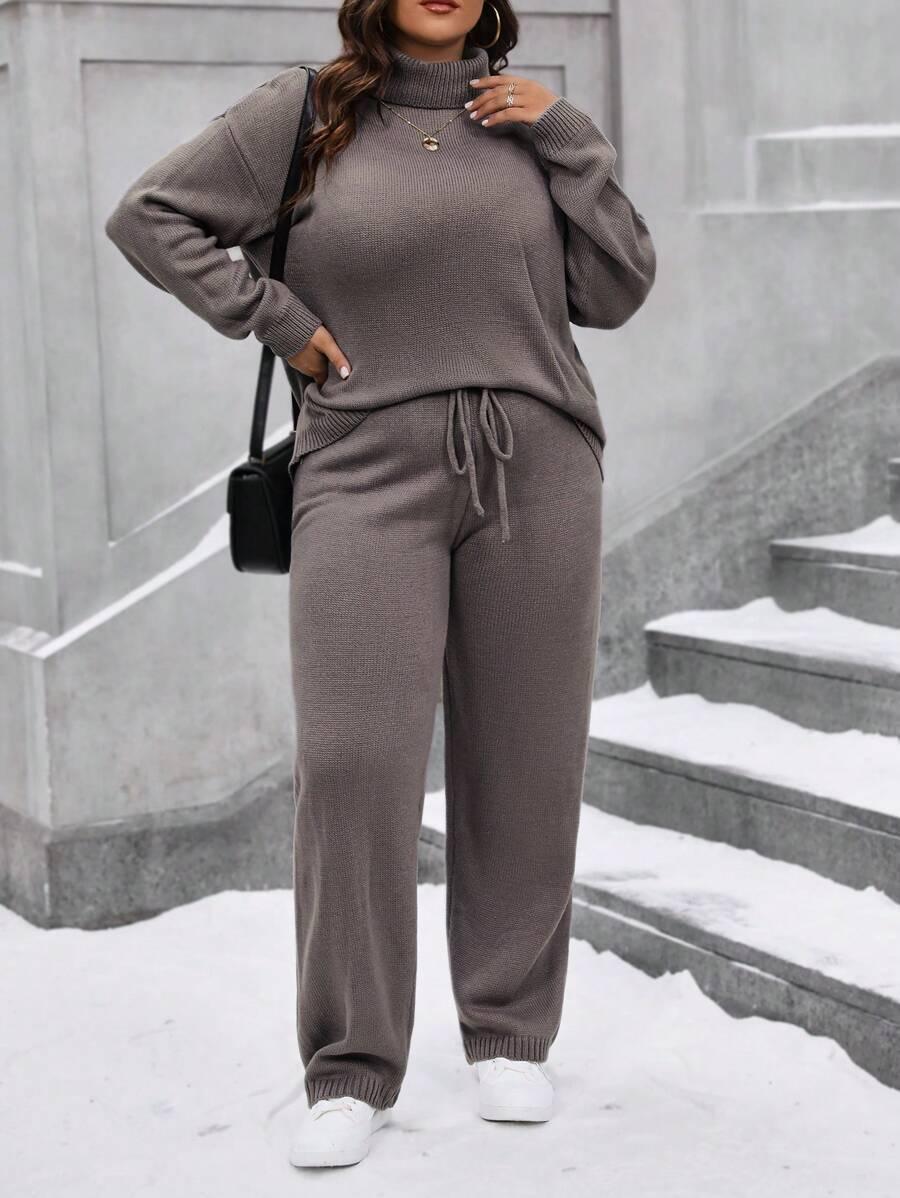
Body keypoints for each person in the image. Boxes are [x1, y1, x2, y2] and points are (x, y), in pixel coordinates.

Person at [104, 0, 656, 1169]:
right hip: (360, 470)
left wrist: (568, 136)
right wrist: (277, 319)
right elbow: (151, 214)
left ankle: (509, 1028)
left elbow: (617, 289)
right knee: (354, 760)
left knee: (527, 753)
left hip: (537, 466)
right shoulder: (306, 112)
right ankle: (351, 1062)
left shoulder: (532, 124)